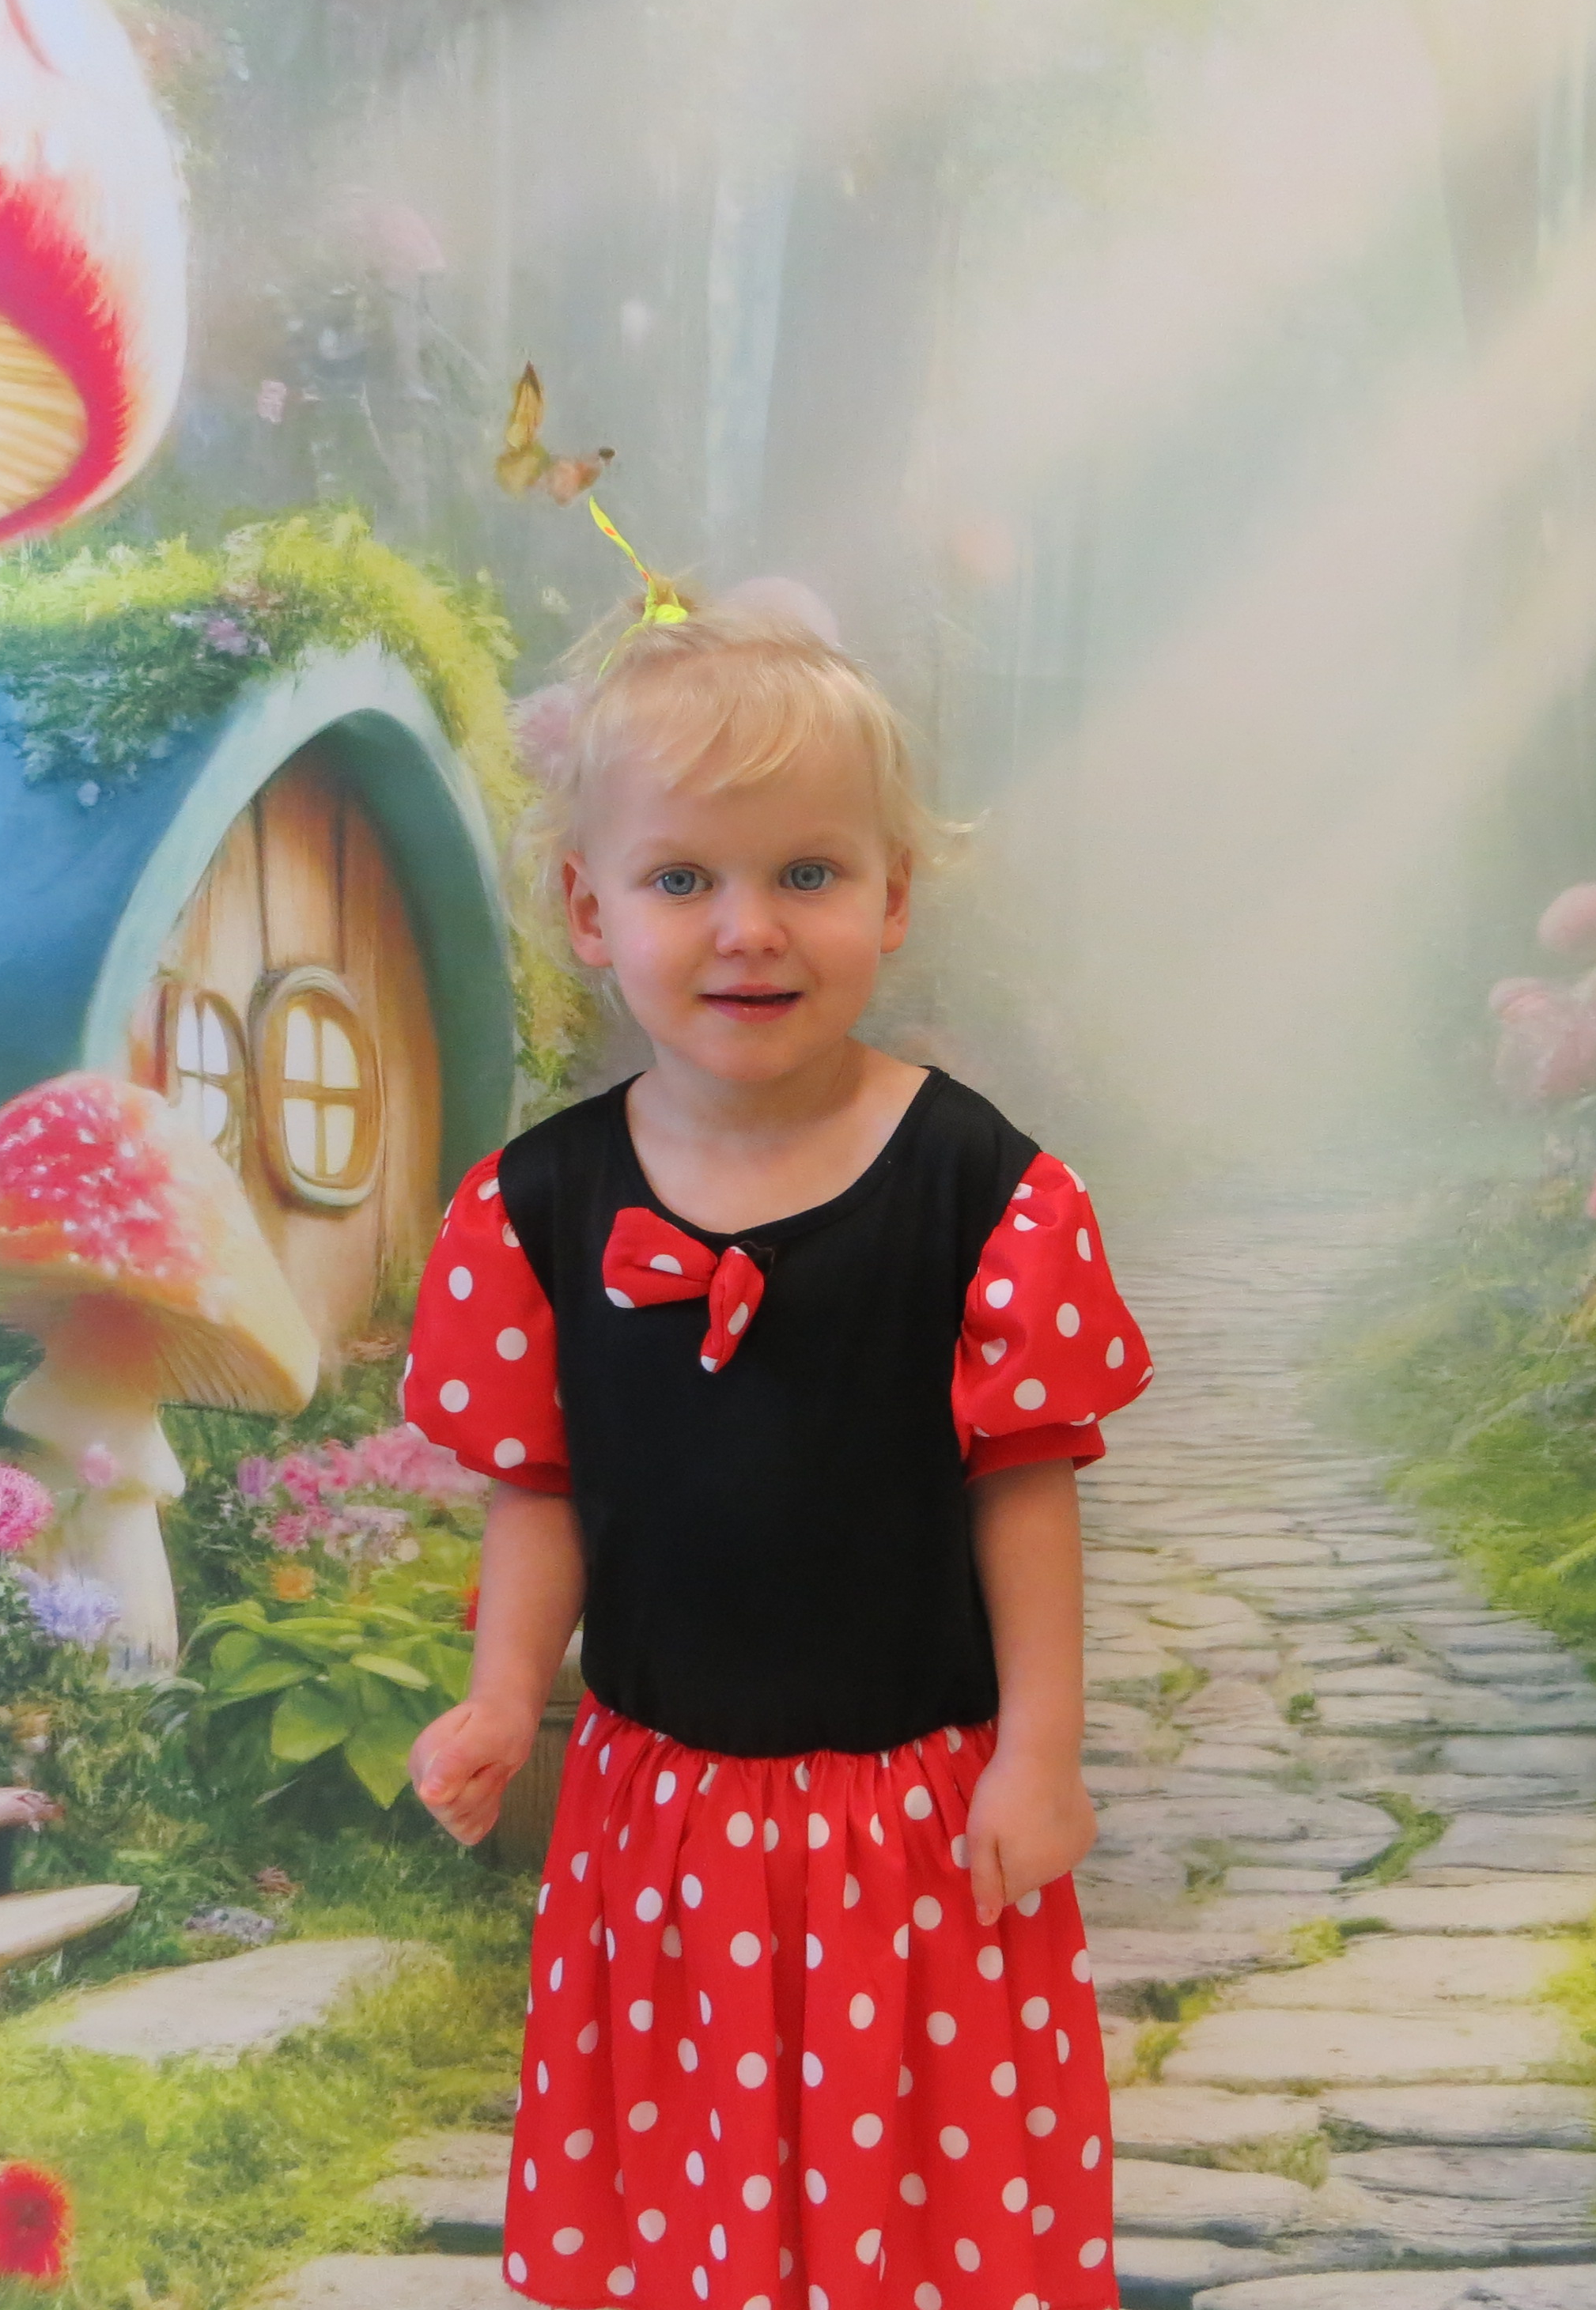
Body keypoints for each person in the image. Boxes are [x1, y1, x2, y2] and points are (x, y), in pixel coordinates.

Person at [403, 592, 1152, 2310]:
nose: (748, 929)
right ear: (588, 910)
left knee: (926, 2192)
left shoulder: (982, 1189)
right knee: (692, 2182)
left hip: (915, 1813)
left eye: (806, 873)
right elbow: (542, 1489)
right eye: (682, 879)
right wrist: (506, 1699)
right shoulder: (538, 1208)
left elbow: (1024, 1487)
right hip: (663, 1823)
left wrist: (1040, 1755)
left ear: (892, 895)